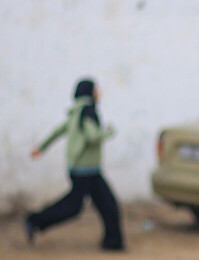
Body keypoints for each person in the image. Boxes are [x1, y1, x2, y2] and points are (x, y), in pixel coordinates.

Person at [24, 78, 124, 251]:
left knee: (107, 205)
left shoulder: (77, 111)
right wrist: (109, 131)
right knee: (76, 206)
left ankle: (112, 242)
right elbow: (92, 137)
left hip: (86, 170)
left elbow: (58, 131)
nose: (99, 93)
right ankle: (34, 220)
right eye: (96, 89)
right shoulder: (88, 111)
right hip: (85, 171)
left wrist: (41, 148)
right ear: (90, 92)